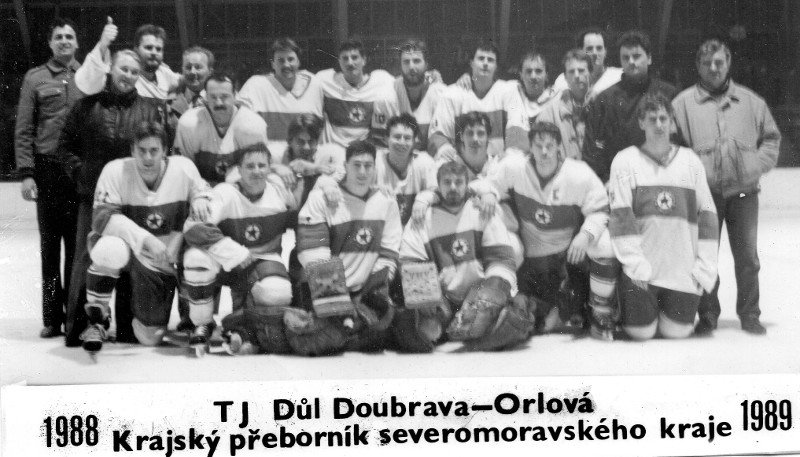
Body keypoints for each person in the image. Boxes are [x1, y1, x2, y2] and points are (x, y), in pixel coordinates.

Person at [60, 48, 170, 346]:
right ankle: (81, 326)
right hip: (94, 198)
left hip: (134, 199)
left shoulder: (149, 109)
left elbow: (161, 148)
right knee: (89, 257)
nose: (128, 76)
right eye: (123, 69)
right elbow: (65, 146)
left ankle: (126, 329)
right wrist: (82, 174)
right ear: (111, 69)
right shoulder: (87, 106)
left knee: (130, 257)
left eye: (134, 72)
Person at [672, 39, 781, 335]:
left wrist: (754, 166)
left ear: (728, 63)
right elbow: (672, 146)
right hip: (704, 196)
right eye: (707, 63)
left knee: (747, 258)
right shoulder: (682, 105)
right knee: (705, 256)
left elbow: (771, 139)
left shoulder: (751, 102)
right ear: (698, 66)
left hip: (744, 194)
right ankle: (707, 315)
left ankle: (750, 314)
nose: (713, 68)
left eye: (719, 62)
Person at [478, 121, 620, 339]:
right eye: (538, 145)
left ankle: (600, 312)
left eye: (549, 146)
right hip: (531, 262)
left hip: (566, 259)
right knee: (535, 322)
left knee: (602, 243)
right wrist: (489, 193)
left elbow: (601, 209)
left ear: (558, 147)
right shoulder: (515, 167)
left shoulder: (578, 173)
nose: (544, 152)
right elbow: (487, 183)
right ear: (530, 146)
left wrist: (584, 235)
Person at [79, 121, 210, 353]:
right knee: (109, 248)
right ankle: (97, 321)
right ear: (132, 150)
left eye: (154, 151)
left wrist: (201, 198)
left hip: (163, 263)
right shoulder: (115, 170)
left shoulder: (184, 168)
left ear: (164, 151)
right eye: (142, 151)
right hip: (133, 253)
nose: (148, 158)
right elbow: (101, 217)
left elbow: (204, 193)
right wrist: (145, 239)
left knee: (149, 337)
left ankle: (191, 314)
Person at [609, 94, 718, 341]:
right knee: (641, 333)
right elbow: (621, 219)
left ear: (671, 122)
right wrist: (636, 266)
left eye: (663, 118)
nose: (658, 125)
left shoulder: (690, 161)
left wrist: (704, 268)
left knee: (677, 333)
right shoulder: (625, 161)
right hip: (642, 272)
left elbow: (708, 216)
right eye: (652, 119)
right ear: (641, 123)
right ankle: (624, 304)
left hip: (681, 272)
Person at [182, 142, 297, 355]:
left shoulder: (280, 192)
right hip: (226, 262)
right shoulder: (225, 192)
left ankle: (241, 326)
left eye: (261, 165)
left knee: (277, 292)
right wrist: (236, 253)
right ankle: (203, 323)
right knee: (196, 259)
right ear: (239, 170)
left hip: (262, 259)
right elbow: (193, 228)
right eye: (250, 166)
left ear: (269, 168)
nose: (256, 171)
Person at [399, 161, 526, 351]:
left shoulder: (481, 209)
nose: (453, 187)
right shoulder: (423, 217)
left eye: (458, 182)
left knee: (514, 317)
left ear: (467, 184)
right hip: (444, 298)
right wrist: (425, 298)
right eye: (447, 182)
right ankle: (460, 330)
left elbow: (502, 258)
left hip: (480, 296)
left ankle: (479, 333)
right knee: (428, 331)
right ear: (438, 185)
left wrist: (493, 288)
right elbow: (410, 258)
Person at [294, 140, 402, 354]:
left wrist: (369, 294)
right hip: (324, 289)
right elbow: (314, 256)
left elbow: (388, 254)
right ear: (345, 166)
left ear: (375, 168)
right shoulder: (320, 199)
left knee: (384, 327)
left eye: (368, 166)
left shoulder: (387, 202)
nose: (362, 172)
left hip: (363, 291)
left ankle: (350, 327)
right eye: (356, 165)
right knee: (325, 339)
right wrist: (340, 303)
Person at [14, 17, 83, 338]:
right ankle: (52, 317)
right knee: (50, 248)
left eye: (69, 36)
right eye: (59, 37)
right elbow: (24, 128)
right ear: (50, 43)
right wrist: (27, 174)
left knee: (77, 248)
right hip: (48, 171)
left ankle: (75, 316)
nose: (64, 41)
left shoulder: (89, 76)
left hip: (78, 172)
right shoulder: (35, 78)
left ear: (77, 42)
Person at [584, 30, 677, 183]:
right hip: (620, 182)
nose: (631, 62)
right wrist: (604, 182)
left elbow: (679, 144)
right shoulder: (605, 100)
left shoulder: (668, 94)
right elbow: (591, 151)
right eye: (625, 57)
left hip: (663, 179)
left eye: (636, 56)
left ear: (649, 58)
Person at [429, 40, 528, 159]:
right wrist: (444, 148)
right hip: (461, 165)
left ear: (496, 66)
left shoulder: (508, 91)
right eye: (481, 58)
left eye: (490, 60)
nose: (485, 63)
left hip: (498, 163)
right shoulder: (452, 94)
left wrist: (510, 154)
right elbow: (437, 134)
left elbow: (518, 130)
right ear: (471, 63)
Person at [173, 72, 269, 186]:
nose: (219, 102)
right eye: (213, 97)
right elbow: (183, 169)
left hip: (240, 189)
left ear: (235, 96)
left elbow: (257, 173)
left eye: (224, 97)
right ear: (205, 97)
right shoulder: (189, 123)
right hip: (200, 189)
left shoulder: (252, 124)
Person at [237, 38, 324, 161]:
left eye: (290, 59)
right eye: (280, 60)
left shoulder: (315, 84)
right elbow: (236, 118)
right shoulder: (255, 85)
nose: (286, 65)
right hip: (270, 161)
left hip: (307, 160)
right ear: (272, 63)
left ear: (298, 61)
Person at [317, 39, 398, 148]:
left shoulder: (382, 80)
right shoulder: (324, 80)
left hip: (364, 151)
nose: (350, 63)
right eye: (345, 58)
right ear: (339, 61)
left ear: (364, 60)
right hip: (334, 149)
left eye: (354, 57)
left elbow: (402, 84)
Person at [76, 20, 180, 100]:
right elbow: (88, 84)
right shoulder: (122, 72)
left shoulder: (164, 73)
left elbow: (184, 81)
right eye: (148, 47)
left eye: (158, 49)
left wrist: (172, 97)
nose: (154, 52)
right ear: (136, 49)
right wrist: (103, 44)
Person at [374, 113, 438, 225]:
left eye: (407, 138)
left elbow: (439, 192)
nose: (402, 142)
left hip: (414, 230)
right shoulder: (375, 161)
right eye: (397, 137)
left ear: (414, 141)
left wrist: (423, 198)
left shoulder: (425, 162)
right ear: (386, 139)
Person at [537, 49, 593, 160]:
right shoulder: (551, 113)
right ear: (565, 77)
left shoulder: (603, 106)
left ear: (590, 73)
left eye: (581, 70)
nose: (576, 75)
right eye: (571, 71)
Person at [389, 39, 445, 150]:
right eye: (406, 62)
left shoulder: (439, 92)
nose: (411, 67)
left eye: (416, 61)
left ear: (426, 64)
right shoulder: (392, 89)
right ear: (400, 65)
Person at [552, 27, 623, 100]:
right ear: (580, 51)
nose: (595, 53)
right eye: (589, 49)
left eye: (599, 48)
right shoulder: (563, 80)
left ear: (605, 51)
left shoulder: (618, 76)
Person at [169, 46, 214, 123]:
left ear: (210, 71)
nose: (192, 72)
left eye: (198, 67)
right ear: (182, 70)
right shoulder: (169, 101)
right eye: (188, 67)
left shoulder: (218, 100)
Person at [517, 51, 557, 124]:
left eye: (538, 71)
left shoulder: (556, 100)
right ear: (521, 75)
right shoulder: (514, 98)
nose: (533, 76)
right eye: (529, 71)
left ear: (546, 75)